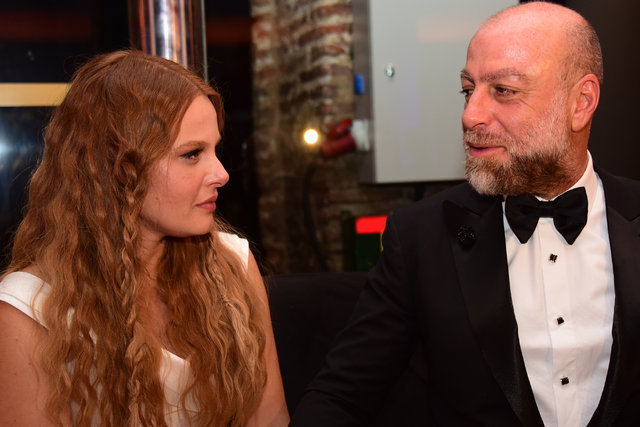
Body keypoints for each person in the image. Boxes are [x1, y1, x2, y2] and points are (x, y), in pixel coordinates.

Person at [292, 2, 640, 426]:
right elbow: (341, 396)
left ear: (581, 102)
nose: (470, 114)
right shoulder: (420, 237)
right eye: (467, 89)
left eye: (504, 90)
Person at [0, 50, 289, 426]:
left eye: (215, 149)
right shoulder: (27, 310)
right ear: (120, 170)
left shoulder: (233, 264)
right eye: (192, 154)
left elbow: (270, 420)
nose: (221, 173)